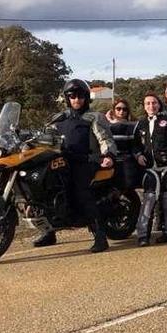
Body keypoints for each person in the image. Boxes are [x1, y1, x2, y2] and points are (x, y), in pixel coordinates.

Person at [34, 79, 116, 252]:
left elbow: (104, 138)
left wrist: (108, 155)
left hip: (87, 161)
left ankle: (100, 236)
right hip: (62, 160)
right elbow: (43, 135)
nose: (76, 99)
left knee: (81, 192)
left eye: (80, 96)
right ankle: (49, 232)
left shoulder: (94, 117)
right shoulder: (59, 118)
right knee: (45, 189)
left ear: (86, 98)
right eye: (72, 96)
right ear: (67, 98)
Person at [133, 92, 167, 247]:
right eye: (147, 103)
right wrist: (138, 155)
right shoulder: (140, 123)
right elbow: (135, 145)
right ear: (144, 106)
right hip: (150, 170)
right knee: (148, 203)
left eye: (154, 103)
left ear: (159, 104)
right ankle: (143, 236)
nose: (151, 106)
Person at [103, 98, 140, 191]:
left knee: (128, 189)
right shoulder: (106, 126)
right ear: (113, 110)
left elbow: (135, 145)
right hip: (111, 161)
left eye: (125, 109)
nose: (121, 111)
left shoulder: (133, 126)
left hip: (127, 162)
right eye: (118, 108)